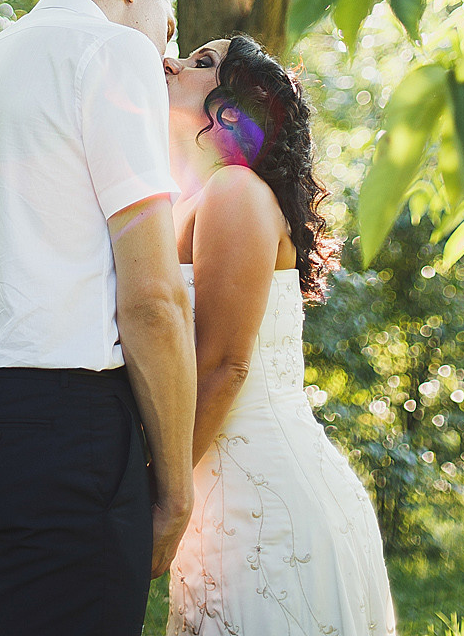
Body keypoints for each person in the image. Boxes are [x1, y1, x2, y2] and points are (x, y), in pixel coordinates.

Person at [0, 0, 196, 636]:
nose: (166, 57)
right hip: (58, 433)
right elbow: (152, 299)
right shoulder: (110, 52)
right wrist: (178, 492)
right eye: (170, 30)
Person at [164, 34, 396, 636]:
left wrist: (160, 501)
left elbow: (224, 366)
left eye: (203, 62)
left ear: (237, 110)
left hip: (265, 505)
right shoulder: (196, 197)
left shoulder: (236, 192)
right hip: (219, 494)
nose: (172, 63)